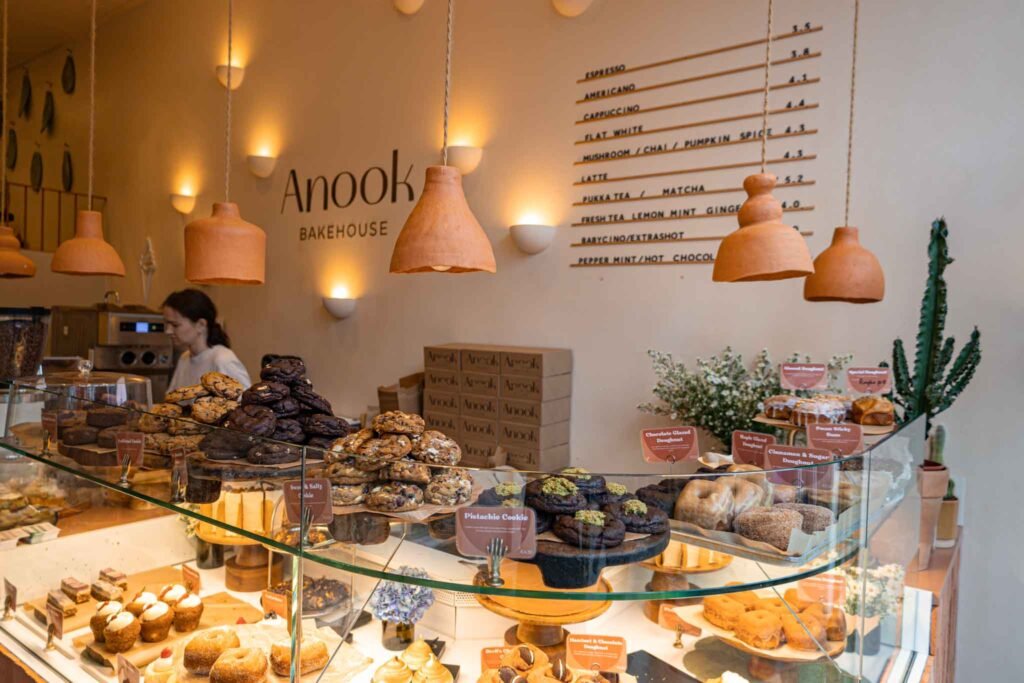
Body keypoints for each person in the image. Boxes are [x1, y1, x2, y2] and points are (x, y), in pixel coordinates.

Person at [162, 289, 251, 391]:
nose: (168, 331)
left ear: (201, 325)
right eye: (167, 324)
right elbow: (172, 401)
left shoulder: (223, 360)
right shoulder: (185, 358)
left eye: (175, 325)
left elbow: (245, 402)